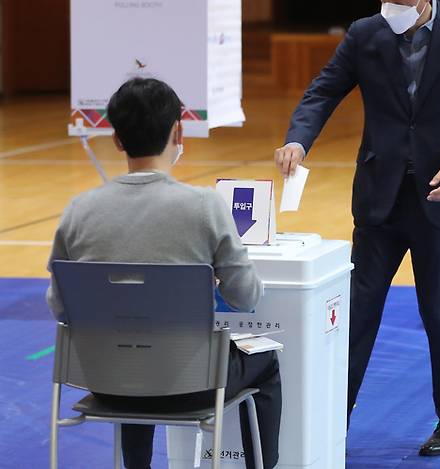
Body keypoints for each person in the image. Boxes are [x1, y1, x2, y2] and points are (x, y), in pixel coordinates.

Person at [274, 0, 440, 456]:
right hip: (380, 198)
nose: (391, 5)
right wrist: (298, 138)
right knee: (355, 313)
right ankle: (333, 412)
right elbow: (324, 90)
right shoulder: (365, 32)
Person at [46, 78, 282, 469]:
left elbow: (59, 306)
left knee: (131, 344)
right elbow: (247, 296)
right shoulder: (205, 207)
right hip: (191, 383)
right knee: (266, 360)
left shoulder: (78, 211)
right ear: (178, 130)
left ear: (117, 140)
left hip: (105, 382)